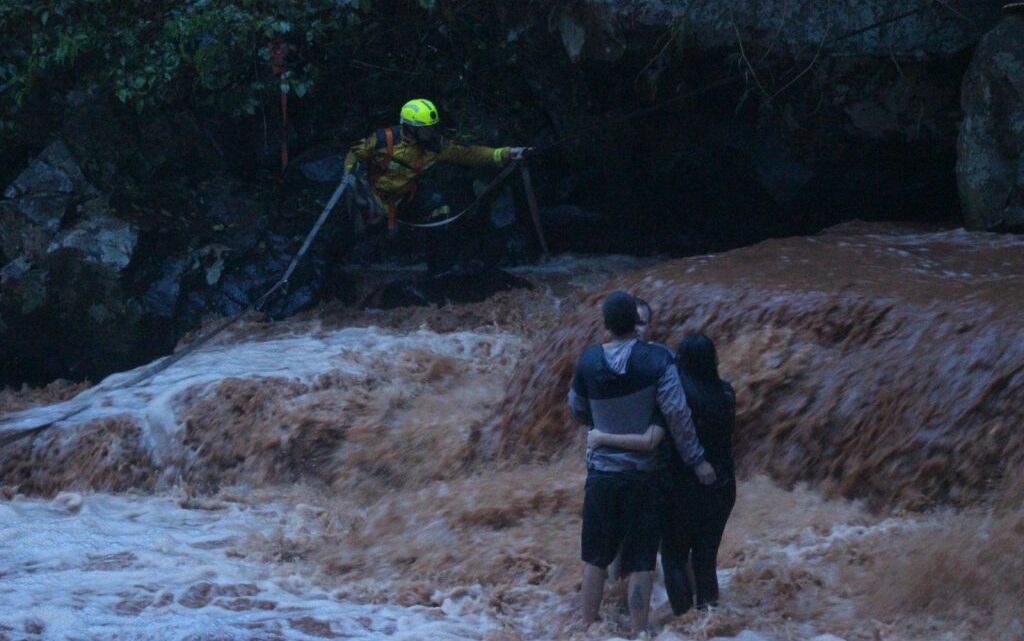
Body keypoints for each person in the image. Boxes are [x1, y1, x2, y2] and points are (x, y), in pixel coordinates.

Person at [568, 291, 716, 636]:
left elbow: (575, 407)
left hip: (601, 473)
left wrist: (600, 426)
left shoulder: (588, 360)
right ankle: (638, 632)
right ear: (637, 324)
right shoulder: (657, 360)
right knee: (642, 560)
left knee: (594, 557)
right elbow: (678, 414)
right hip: (644, 476)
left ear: (605, 325)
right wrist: (696, 460)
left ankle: (586, 626)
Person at [589, 332, 736, 612]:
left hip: (682, 487)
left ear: (680, 361)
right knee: (705, 559)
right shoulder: (727, 392)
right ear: (714, 360)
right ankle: (709, 618)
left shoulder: (675, 394)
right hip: (722, 485)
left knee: (674, 558)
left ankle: (684, 620)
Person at [342, 98, 531, 269]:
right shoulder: (383, 139)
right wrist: (351, 178)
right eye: (425, 128)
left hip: (402, 200)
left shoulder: (436, 146)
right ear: (410, 127)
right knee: (361, 233)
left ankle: (439, 268)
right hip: (370, 199)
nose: (430, 131)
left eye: (431, 126)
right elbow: (355, 154)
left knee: (439, 204)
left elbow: (470, 153)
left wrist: (506, 153)